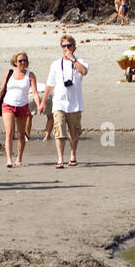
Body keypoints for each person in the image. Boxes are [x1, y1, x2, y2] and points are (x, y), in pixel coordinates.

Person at [42, 34, 89, 168]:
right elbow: (50, 85)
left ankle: (73, 154)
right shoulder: (56, 64)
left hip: (75, 103)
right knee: (59, 131)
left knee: (74, 133)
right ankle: (60, 158)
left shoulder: (80, 62)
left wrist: (73, 59)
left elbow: (84, 71)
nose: (66, 48)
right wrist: (43, 101)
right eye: (64, 46)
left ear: (74, 47)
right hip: (59, 103)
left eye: (69, 46)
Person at [0, 52, 39, 167]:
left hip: (23, 106)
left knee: (21, 134)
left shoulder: (30, 75)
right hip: (8, 105)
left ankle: (19, 158)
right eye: (20, 61)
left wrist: (39, 104)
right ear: (15, 62)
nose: (23, 63)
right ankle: (9, 159)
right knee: (9, 132)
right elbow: (1, 90)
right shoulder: (10, 73)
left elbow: (34, 92)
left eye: (25, 60)